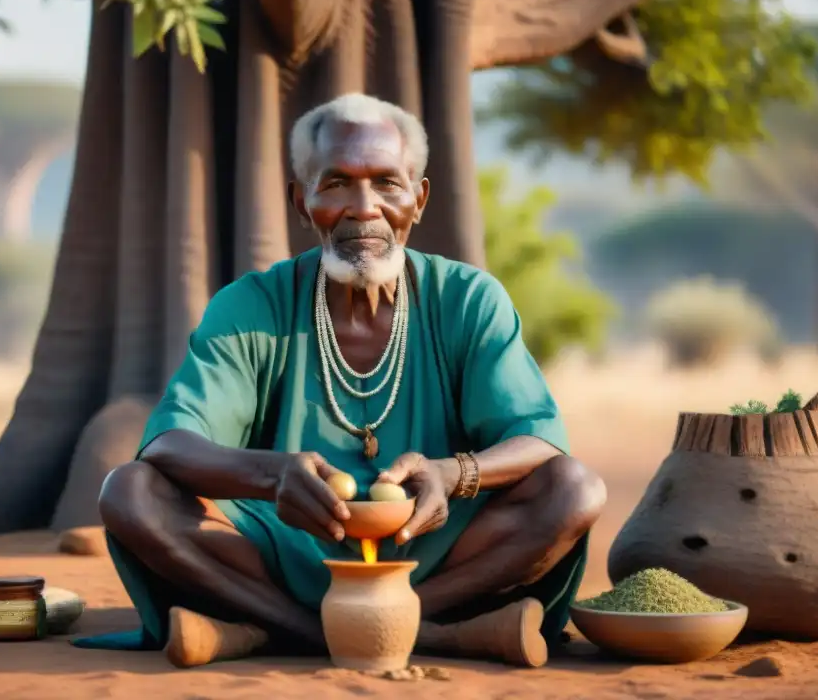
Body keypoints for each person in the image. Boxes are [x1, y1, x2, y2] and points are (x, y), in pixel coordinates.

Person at [75, 93, 606, 668]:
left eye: (387, 183)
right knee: (129, 492)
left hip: (431, 544)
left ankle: (372, 621)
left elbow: (541, 439)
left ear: (418, 199)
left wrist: (452, 474)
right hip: (281, 547)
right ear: (301, 203)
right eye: (335, 185)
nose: (364, 208)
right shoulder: (254, 304)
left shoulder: (468, 299)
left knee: (574, 489)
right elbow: (166, 443)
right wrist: (272, 475)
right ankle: (386, 633)